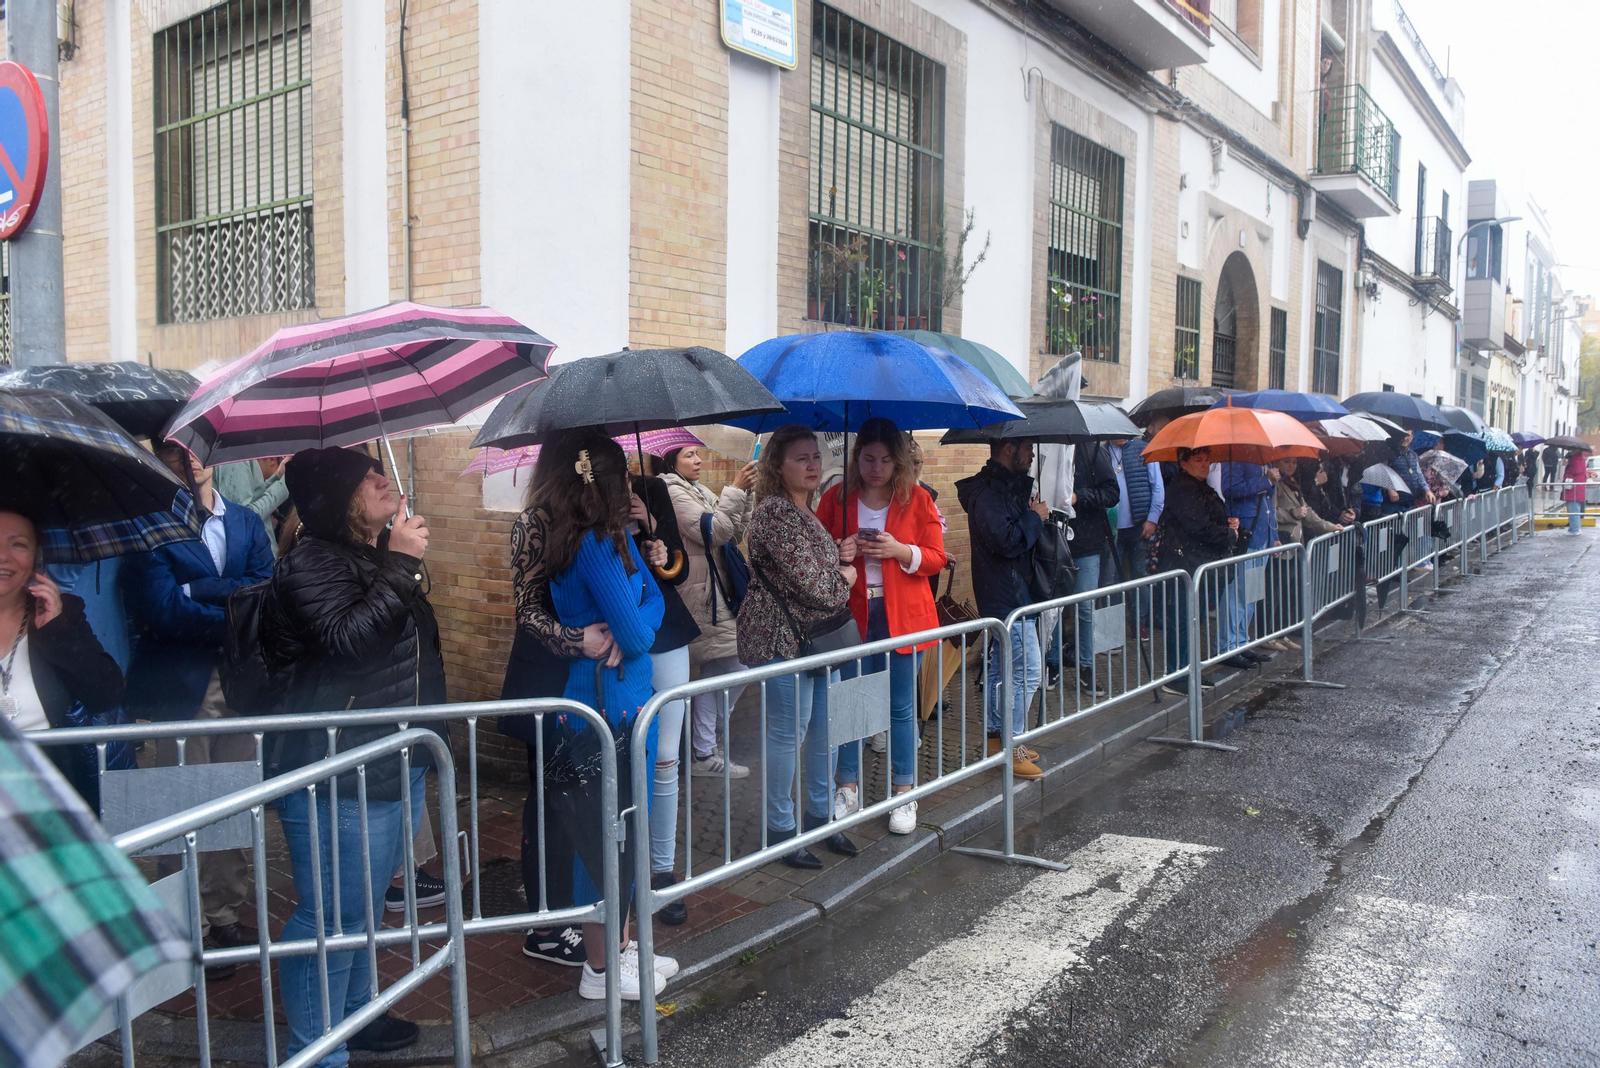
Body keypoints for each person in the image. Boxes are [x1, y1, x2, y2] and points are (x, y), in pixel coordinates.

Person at [262, 447, 441, 1059]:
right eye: (365, 478)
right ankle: (318, 1050)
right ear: (336, 500)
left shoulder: (368, 555)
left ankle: (356, 1014)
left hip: (390, 758)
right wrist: (400, 565)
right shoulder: (311, 561)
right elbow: (350, 647)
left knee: (361, 908)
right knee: (331, 917)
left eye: (378, 470)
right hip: (336, 770)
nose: (382, 479)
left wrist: (398, 563)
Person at [122, 440, 276, 971]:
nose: (188, 459)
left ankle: (224, 911)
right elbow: (163, 611)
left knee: (232, 800)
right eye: (174, 451)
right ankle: (188, 924)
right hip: (182, 685)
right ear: (160, 461)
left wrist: (201, 590)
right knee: (184, 805)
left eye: (195, 447)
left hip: (240, 683)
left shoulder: (246, 523)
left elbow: (266, 593)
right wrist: (235, 603)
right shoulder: (149, 526)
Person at [543, 431, 677, 1002]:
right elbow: (642, 632)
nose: (631, 483)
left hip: (625, 699)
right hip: (607, 706)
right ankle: (600, 967)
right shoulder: (594, 542)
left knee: (621, 830)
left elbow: (656, 602)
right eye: (623, 474)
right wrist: (634, 627)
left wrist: (633, 625)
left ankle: (621, 948)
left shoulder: (613, 537)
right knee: (603, 838)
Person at [501, 439, 619, 970]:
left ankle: (577, 913)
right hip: (547, 679)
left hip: (586, 683)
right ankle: (546, 926)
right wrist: (578, 640)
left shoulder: (597, 522)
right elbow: (527, 609)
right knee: (550, 806)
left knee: (581, 802)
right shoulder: (534, 522)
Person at [815, 418, 946, 836]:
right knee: (853, 702)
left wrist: (899, 550)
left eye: (886, 461)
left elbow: (936, 557)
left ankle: (904, 792)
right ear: (856, 458)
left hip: (904, 614)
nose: (876, 468)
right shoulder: (837, 498)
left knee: (901, 706)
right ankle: (847, 787)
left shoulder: (918, 499)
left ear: (898, 462)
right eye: (869, 459)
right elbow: (815, 550)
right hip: (853, 613)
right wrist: (841, 549)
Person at [739, 425, 858, 867]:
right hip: (781, 639)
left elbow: (813, 571)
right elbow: (817, 587)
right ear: (778, 465)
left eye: (815, 456)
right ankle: (781, 829)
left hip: (815, 638)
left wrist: (837, 555)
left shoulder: (805, 508)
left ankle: (821, 818)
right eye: (801, 458)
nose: (812, 464)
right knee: (789, 733)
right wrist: (845, 578)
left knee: (826, 729)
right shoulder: (774, 513)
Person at [0, 509, 124, 806]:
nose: (3, 556)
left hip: (45, 797)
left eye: (18, 545)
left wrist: (57, 631)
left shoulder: (62, 613)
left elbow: (105, 694)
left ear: (37, 558)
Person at [630, 462, 700, 926]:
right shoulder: (578, 502)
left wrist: (653, 532)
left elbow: (679, 569)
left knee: (666, 759)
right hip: (611, 639)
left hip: (665, 635)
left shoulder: (650, 489)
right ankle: (624, 870)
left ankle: (662, 868)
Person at [658, 446, 757, 779]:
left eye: (698, 454)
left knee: (720, 669)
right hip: (701, 597)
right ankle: (706, 745)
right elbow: (712, 531)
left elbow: (733, 534)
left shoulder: (698, 490)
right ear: (671, 460)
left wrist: (745, 497)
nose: (698, 460)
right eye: (689, 455)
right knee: (738, 661)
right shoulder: (673, 492)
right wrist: (736, 490)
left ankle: (705, 749)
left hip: (718, 593)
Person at [955, 439, 1046, 780]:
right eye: (1028, 447)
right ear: (1009, 448)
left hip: (1012, 592)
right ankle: (1013, 744)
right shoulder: (987, 495)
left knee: (1001, 670)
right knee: (1028, 671)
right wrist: (1034, 518)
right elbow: (1006, 540)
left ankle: (997, 739)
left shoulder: (1003, 489)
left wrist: (1029, 510)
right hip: (1007, 596)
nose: (1032, 454)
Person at [1155, 448, 1239, 696]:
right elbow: (1198, 526)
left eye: (1207, 460)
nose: (1205, 465)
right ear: (1184, 464)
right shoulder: (1183, 490)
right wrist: (1228, 534)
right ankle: (1176, 674)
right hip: (1183, 562)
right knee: (1182, 619)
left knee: (1194, 618)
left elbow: (1209, 519)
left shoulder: (1201, 487)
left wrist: (1228, 524)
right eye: (1199, 460)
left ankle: (1189, 668)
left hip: (1197, 562)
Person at [1062, 441, 1120, 697]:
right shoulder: (1045, 446)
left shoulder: (1093, 450)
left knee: (1085, 608)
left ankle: (1085, 667)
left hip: (1086, 543)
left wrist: (1079, 497)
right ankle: (1052, 663)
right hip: (1052, 541)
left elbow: (1112, 493)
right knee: (1053, 608)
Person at [1216, 461, 1276, 668]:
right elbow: (1230, 490)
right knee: (1238, 593)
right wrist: (1265, 480)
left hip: (1262, 533)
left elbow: (1267, 500)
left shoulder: (1263, 457)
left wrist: (1274, 535)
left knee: (1251, 593)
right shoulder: (1237, 456)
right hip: (1247, 532)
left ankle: (1241, 641)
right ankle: (1227, 646)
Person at [1112, 436, 1164, 642]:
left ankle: (1138, 623)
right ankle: (1116, 628)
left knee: (1139, 576)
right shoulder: (1103, 451)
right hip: (1113, 529)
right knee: (1113, 580)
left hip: (1139, 526)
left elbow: (1157, 486)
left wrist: (1152, 519)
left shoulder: (1145, 449)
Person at [212, 455, 291, 556]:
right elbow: (242, 519)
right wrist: (284, 483)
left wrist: (277, 477)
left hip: (259, 553)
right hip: (255, 557)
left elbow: (255, 497)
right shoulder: (236, 458)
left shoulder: (240, 454)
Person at [1562, 450, 1587, 532]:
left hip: (1574, 488)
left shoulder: (1576, 459)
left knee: (1573, 509)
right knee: (1574, 509)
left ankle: (1574, 529)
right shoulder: (1578, 458)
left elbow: (1576, 471)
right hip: (1576, 488)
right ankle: (1575, 528)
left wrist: (1568, 464)